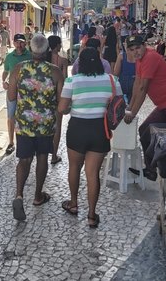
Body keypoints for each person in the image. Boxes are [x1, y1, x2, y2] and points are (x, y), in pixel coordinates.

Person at [59, 48, 121, 228]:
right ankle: (92, 215)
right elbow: (118, 104)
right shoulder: (112, 80)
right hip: (100, 129)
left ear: (80, 64)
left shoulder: (72, 81)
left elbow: (62, 109)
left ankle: (73, 204)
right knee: (93, 174)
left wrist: (73, 108)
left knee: (74, 167)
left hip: (78, 128)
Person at [123, 35, 166, 192]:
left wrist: (132, 113)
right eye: (132, 50)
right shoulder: (140, 60)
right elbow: (137, 84)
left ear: (144, 45)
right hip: (164, 104)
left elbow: (143, 89)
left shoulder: (150, 57)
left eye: (138, 48)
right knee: (145, 130)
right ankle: (150, 170)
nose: (136, 52)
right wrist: (130, 107)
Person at [8, 34, 63, 221]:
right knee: (42, 158)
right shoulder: (55, 72)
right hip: (45, 125)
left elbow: (11, 97)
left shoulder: (18, 70)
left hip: (24, 124)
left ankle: (18, 195)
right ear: (47, 50)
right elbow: (61, 100)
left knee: (23, 160)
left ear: (31, 50)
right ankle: (38, 196)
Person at [2, 33, 32, 154]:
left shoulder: (30, 55)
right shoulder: (9, 57)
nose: (19, 45)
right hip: (12, 90)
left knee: (27, 116)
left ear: (25, 43)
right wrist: (3, 81)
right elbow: (5, 71)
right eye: (17, 42)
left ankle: (27, 140)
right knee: (10, 116)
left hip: (27, 91)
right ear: (13, 43)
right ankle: (11, 142)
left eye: (21, 42)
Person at [46, 35, 69, 165]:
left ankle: (41, 154)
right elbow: (65, 79)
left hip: (43, 98)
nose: (61, 46)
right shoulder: (62, 61)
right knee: (57, 127)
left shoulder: (43, 60)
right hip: (57, 97)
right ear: (57, 46)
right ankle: (54, 155)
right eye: (60, 44)